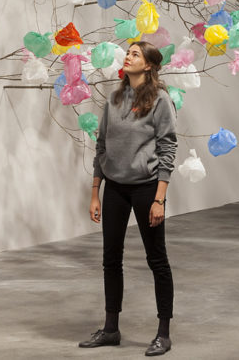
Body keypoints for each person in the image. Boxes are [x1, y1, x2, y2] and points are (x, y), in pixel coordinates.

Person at [79, 41, 178, 356]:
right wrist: (95, 192)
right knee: (111, 259)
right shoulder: (114, 97)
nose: (127, 56)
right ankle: (110, 329)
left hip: (146, 188)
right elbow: (102, 146)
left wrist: (159, 199)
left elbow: (167, 149)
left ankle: (163, 333)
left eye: (135, 54)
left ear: (148, 65)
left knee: (156, 259)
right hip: (115, 189)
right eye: (128, 53)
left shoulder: (160, 101)